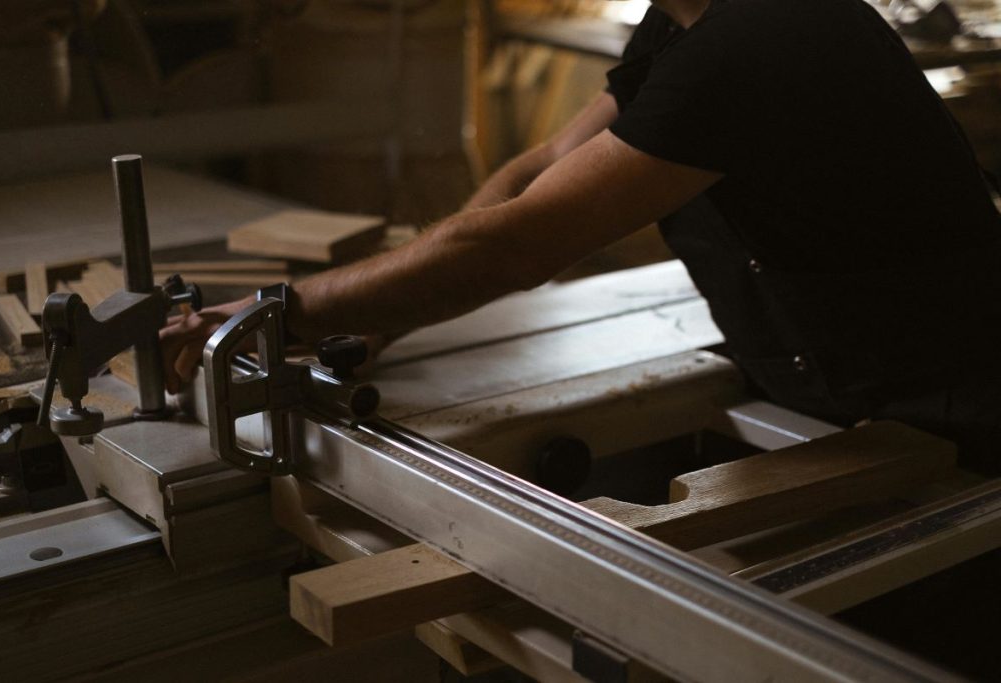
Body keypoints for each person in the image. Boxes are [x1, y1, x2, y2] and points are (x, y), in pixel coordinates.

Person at [162, 0, 1001, 472]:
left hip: (946, 421)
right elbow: (543, 169)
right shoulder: (684, 29)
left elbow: (522, 243)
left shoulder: (759, 36)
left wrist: (282, 311)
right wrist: (378, 318)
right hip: (832, 400)